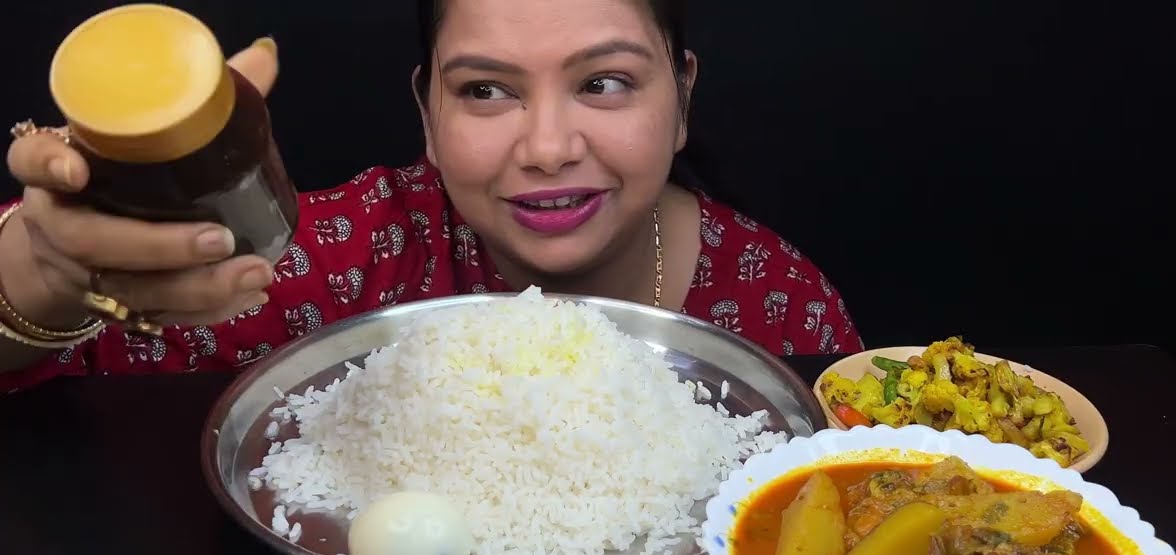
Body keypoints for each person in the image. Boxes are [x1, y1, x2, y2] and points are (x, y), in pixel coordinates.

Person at [0, 0, 860, 394]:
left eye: (605, 82)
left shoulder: (777, 308)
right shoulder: (334, 259)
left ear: (680, 100)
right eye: (487, 90)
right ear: (428, 113)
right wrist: (36, 277)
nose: (550, 146)